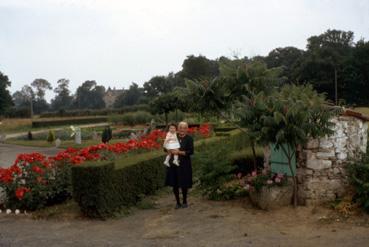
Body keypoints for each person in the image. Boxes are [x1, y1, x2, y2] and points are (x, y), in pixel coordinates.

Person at [165, 121, 194, 209]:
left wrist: (179, 152)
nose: (182, 129)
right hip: (174, 163)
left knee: (184, 183)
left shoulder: (189, 139)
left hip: (184, 164)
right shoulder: (173, 137)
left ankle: (184, 201)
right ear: (178, 128)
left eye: (184, 128)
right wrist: (168, 149)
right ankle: (177, 202)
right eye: (180, 127)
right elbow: (165, 148)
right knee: (175, 183)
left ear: (187, 129)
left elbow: (191, 152)